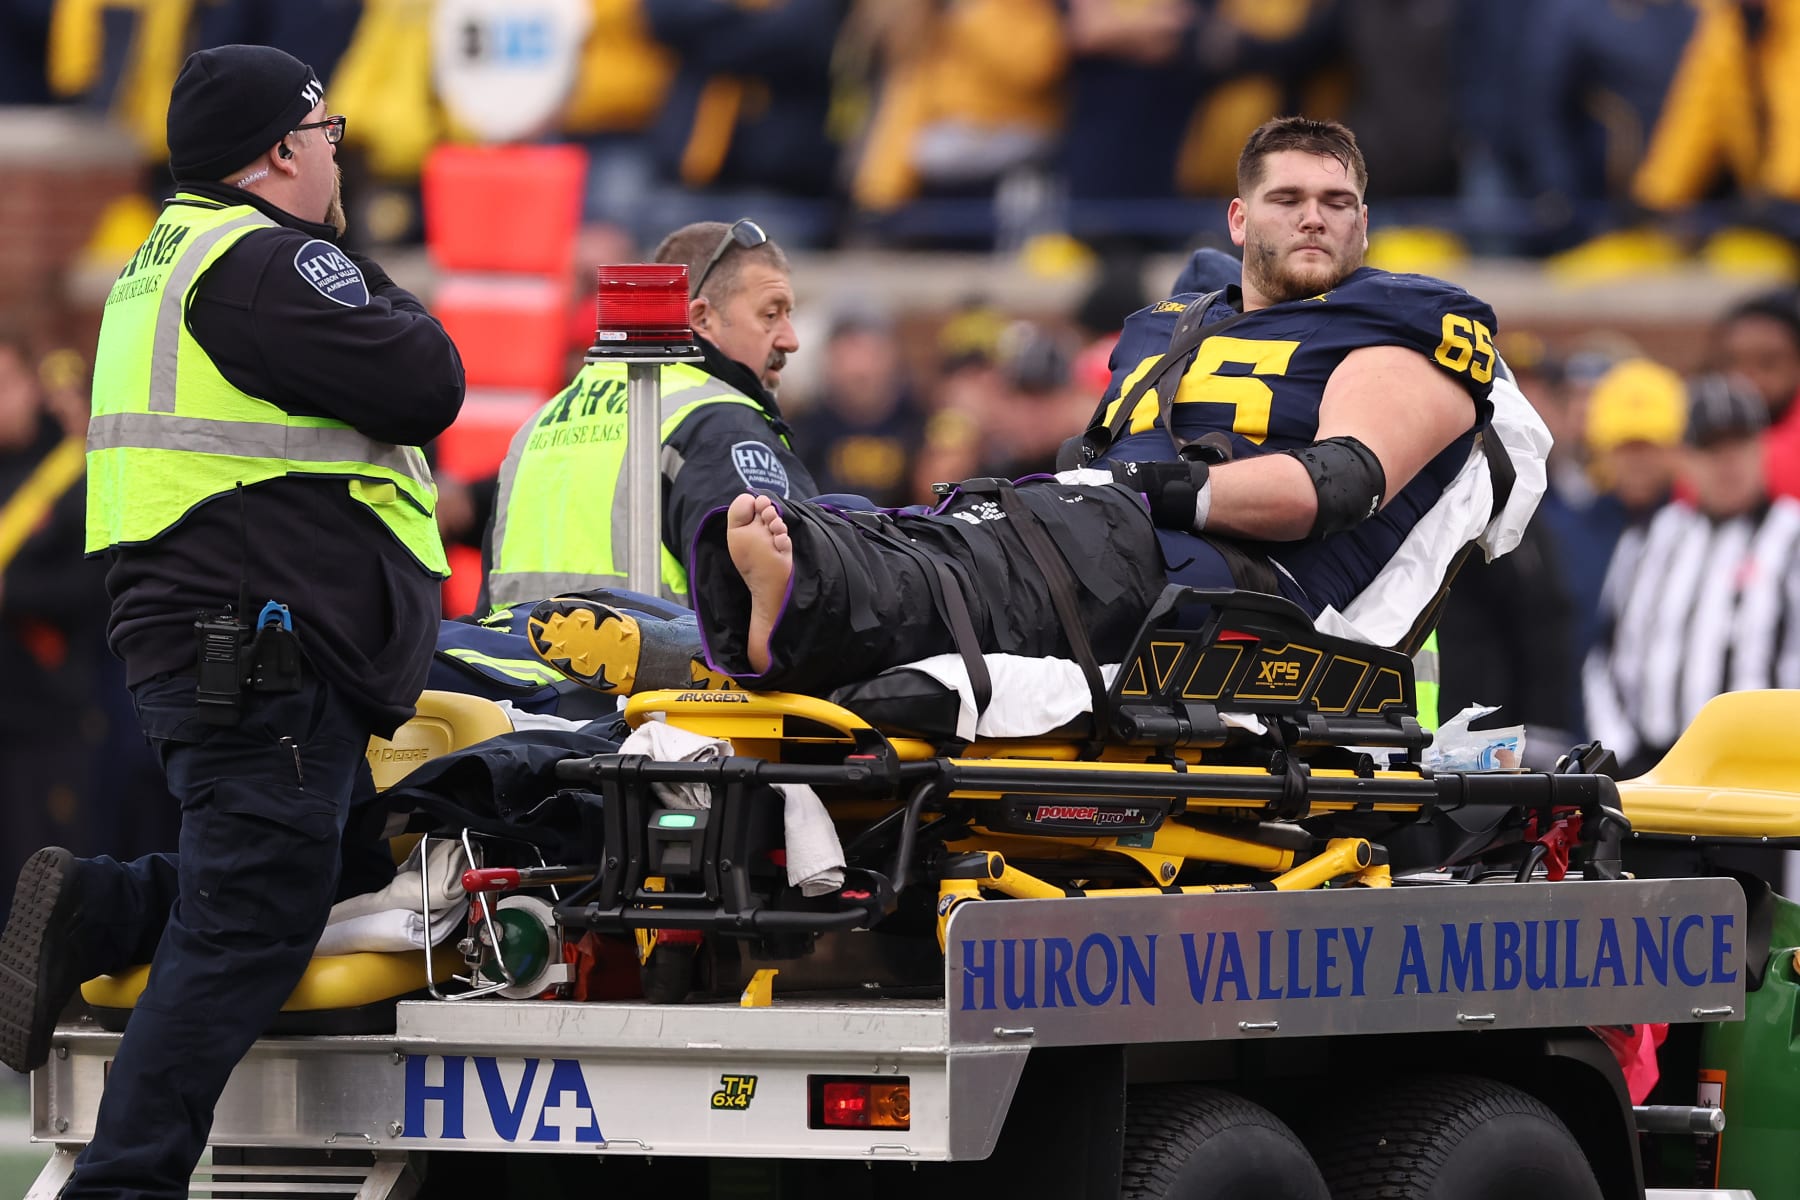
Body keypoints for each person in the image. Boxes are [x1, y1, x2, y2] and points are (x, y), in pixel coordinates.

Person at [534, 117, 1523, 701]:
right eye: (1291, 197)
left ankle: (786, 610)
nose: (1315, 216)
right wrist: (1105, 488)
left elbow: (1337, 484)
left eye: (1339, 201)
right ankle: (778, 608)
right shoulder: (1175, 324)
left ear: (1364, 220)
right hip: (1112, 544)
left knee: (997, 569)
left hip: (1231, 592)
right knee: (962, 538)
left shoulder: (1397, 325)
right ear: (1240, 216)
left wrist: (1160, 491)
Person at [0, 44, 464, 1197]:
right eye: (327, 135)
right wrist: (358, 264)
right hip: (265, 650)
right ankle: (126, 1181)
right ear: (278, 152)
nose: (337, 153)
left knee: (341, 867)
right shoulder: (265, 261)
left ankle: (109, 905)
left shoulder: (170, 258)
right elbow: (428, 380)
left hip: (223, 647)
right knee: (247, 923)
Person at [484, 217, 814, 609]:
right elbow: (787, 610)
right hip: (657, 671)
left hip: (516, 669)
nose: (789, 340)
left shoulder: (536, 427)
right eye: (770, 314)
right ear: (701, 318)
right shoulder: (720, 424)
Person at [1584, 373, 1800, 776]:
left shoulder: (1791, 538)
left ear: (1761, 447)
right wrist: (1619, 753)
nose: (1728, 462)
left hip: (1760, 774)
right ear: (1684, 457)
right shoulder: (1649, 537)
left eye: (1739, 444)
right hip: (1652, 769)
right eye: (1710, 448)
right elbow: (1604, 657)